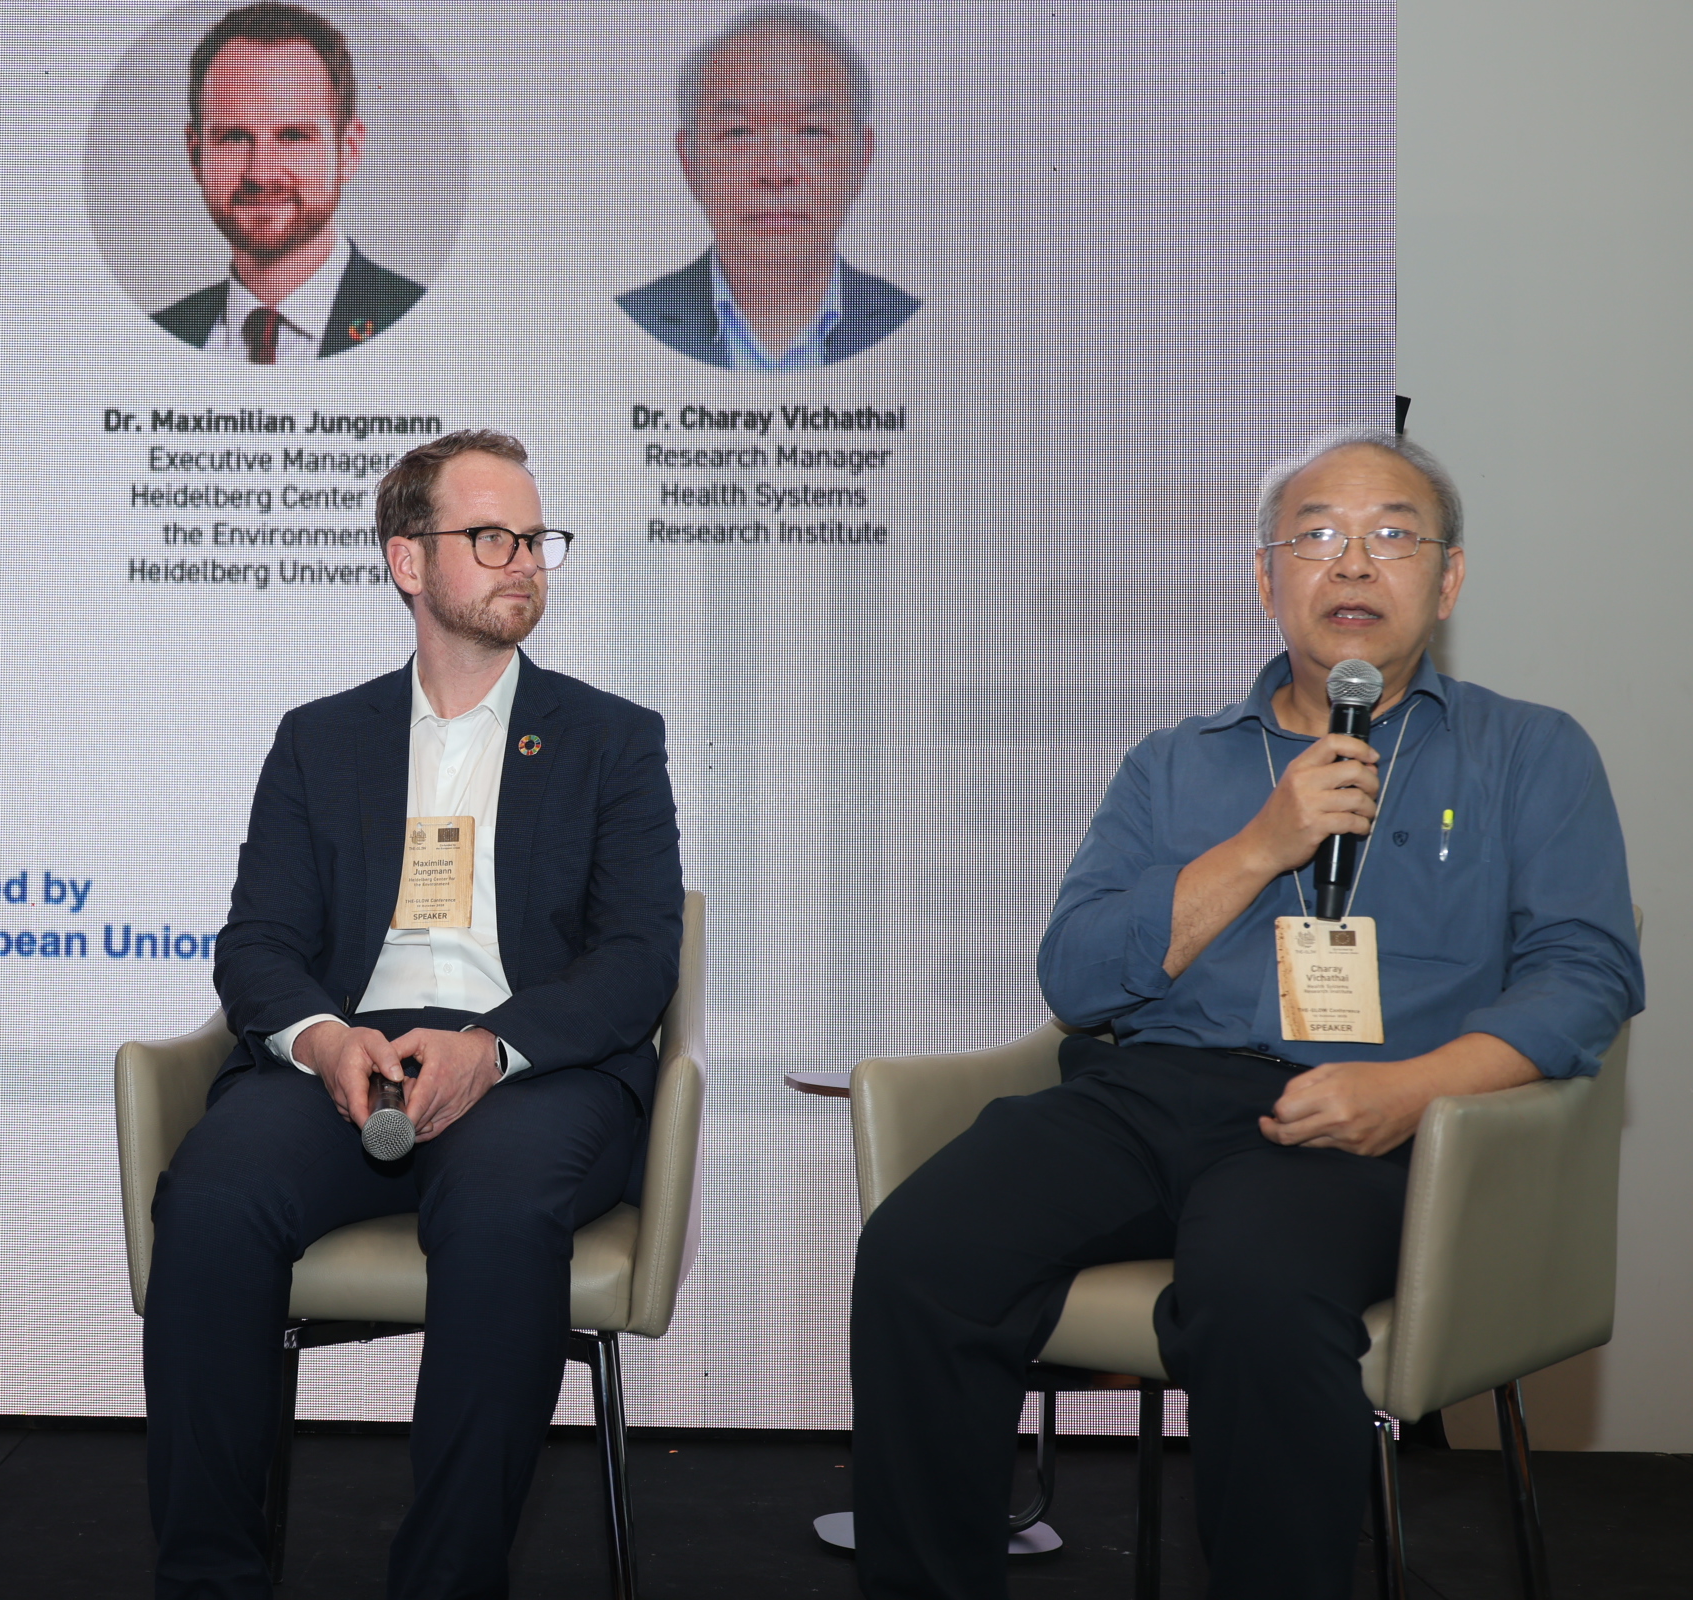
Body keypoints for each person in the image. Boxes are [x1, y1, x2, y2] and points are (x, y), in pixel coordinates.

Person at [847, 427, 1643, 1599]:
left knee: (1254, 1279)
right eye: (1316, 537)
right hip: (1154, 1093)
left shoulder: (1530, 752)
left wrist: (1409, 1091)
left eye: (1392, 536)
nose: (1354, 563)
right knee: (921, 1248)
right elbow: (1076, 975)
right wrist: (1263, 843)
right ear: (1267, 579)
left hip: (1377, 1118)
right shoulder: (1175, 763)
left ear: (1449, 579)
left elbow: (1586, 975)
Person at [143, 429, 683, 1597]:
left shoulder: (611, 739)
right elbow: (259, 944)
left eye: (535, 538)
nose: (524, 560)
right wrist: (326, 1039)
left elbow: (642, 957)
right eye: (491, 537)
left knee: (500, 1212)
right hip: (350, 1053)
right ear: (407, 559)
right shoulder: (320, 739)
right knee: (213, 1195)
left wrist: (494, 1046)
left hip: (533, 1067)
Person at [618, 3, 919, 371]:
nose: (776, 171)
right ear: (689, 160)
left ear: (862, 157)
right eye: (738, 132)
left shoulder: (919, 330)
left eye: (812, 131)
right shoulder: (623, 329)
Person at [151, 2, 425, 361]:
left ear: (349, 151)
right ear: (196, 155)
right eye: (234, 137)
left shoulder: (427, 329)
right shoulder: (153, 341)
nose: (261, 173)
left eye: (293, 136)